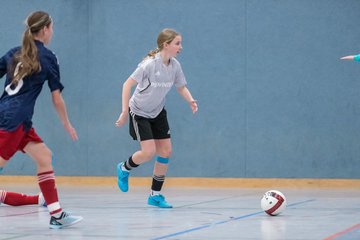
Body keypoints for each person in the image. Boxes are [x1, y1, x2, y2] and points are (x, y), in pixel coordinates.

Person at [0, 11, 82, 229]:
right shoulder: (48, 56)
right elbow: (57, 98)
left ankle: (57, 214)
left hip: (17, 119)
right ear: (45, 29)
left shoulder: (13, 53)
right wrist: (67, 123)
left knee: (45, 156)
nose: (52, 32)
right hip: (13, 121)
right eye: (52, 28)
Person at [115, 28, 198, 208]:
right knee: (148, 152)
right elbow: (127, 84)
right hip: (139, 112)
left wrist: (190, 100)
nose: (180, 47)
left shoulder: (175, 66)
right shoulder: (148, 65)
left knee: (166, 151)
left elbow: (181, 87)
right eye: (177, 43)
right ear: (166, 45)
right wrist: (123, 112)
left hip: (158, 111)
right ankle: (124, 168)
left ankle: (155, 195)